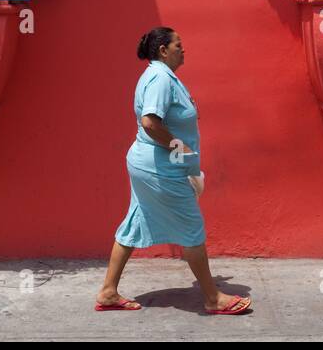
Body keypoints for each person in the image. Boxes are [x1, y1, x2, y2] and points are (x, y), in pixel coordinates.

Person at [95, 27, 251, 315]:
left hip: (151, 164)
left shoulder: (162, 77)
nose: (184, 49)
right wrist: (181, 147)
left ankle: (108, 292)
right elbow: (150, 123)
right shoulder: (159, 79)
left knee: (134, 223)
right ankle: (213, 298)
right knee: (190, 228)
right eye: (179, 44)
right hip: (160, 169)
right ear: (163, 50)